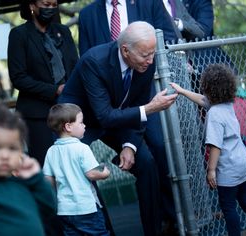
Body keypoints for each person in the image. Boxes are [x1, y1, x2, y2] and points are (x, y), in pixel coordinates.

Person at [58, 21, 178, 236]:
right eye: (145, 55)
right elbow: (107, 116)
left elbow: (137, 107)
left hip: (116, 116)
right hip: (78, 120)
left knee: (147, 163)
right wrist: (150, 108)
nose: (151, 61)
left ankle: (154, 231)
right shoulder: (94, 61)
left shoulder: (146, 62)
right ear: (125, 50)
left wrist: (130, 145)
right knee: (79, 173)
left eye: (152, 54)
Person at [171, 63, 246, 236]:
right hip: (244, 163)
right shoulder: (227, 104)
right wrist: (182, 91)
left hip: (229, 168)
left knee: (229, 208)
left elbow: (215, 146)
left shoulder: (214, 114)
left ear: (208, 87)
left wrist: (211, 170)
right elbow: (202, 100)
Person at [7, 0, 78, 166]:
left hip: (68, 111)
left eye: (54, 5)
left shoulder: (63, 31)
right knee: (48, 167)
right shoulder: (19, 34)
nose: (51, 9)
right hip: (37, 115)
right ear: (32, 5)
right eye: (46, 5)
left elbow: (75, 66)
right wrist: (55, 90)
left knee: (76, 163)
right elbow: (18, 77)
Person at [0, 103, 56, 236]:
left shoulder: (24, 183)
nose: (5, 156)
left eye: (12, 149)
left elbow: (49, 208)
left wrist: (36, 179)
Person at [43, 103, 111, 235]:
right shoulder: (82, 148)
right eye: (81, 122)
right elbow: (92, 173)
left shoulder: (51, 151)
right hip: (86, 208)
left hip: (65, 210)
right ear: (68, 126)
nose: (84, 125)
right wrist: (105, 172)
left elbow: (47, 180)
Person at [78, 0, 177, 56]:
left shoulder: (149, 2)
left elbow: (169, 38)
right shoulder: (87, 15)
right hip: (108, 85)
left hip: (151, 80)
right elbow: (86, 56)